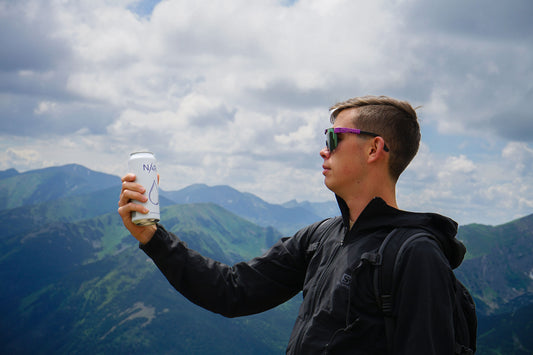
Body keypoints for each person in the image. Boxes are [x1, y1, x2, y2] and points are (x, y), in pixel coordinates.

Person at [118, 95, 467, 354]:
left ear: (374, 148)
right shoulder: (321, 238)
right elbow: (232, 291)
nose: (323, 150)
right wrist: (152, 237)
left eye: (333, 138)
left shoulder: (415, 255)